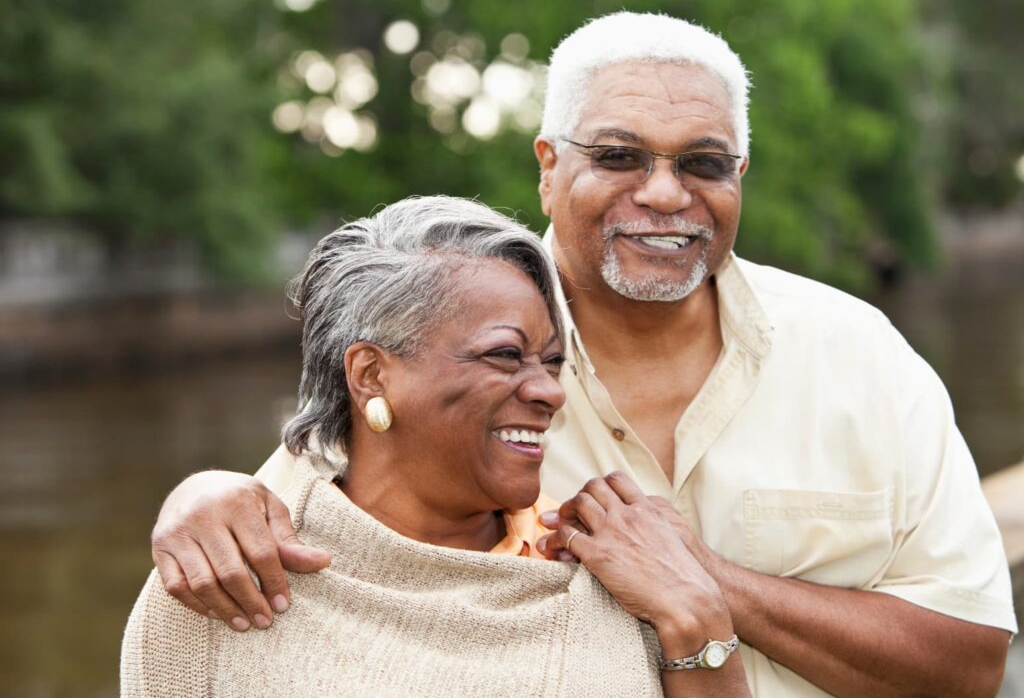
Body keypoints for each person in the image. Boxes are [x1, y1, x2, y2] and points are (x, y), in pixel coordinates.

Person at [147, 13, 1017, 696]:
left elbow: (969, 666)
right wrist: (205, 494)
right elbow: (289, 499)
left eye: (704, 162)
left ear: (740, 174)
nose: (666, 192)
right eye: (619, 155)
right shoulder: (450, 353)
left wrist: (708, 585)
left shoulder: (859, 352)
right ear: (547, 167)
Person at [122, 195, 752, 697]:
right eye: (505, 355)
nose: (550, 393)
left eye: (552, 362)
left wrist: (697, 616)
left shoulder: (614, 569)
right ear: (371, 374)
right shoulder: (224, 577)